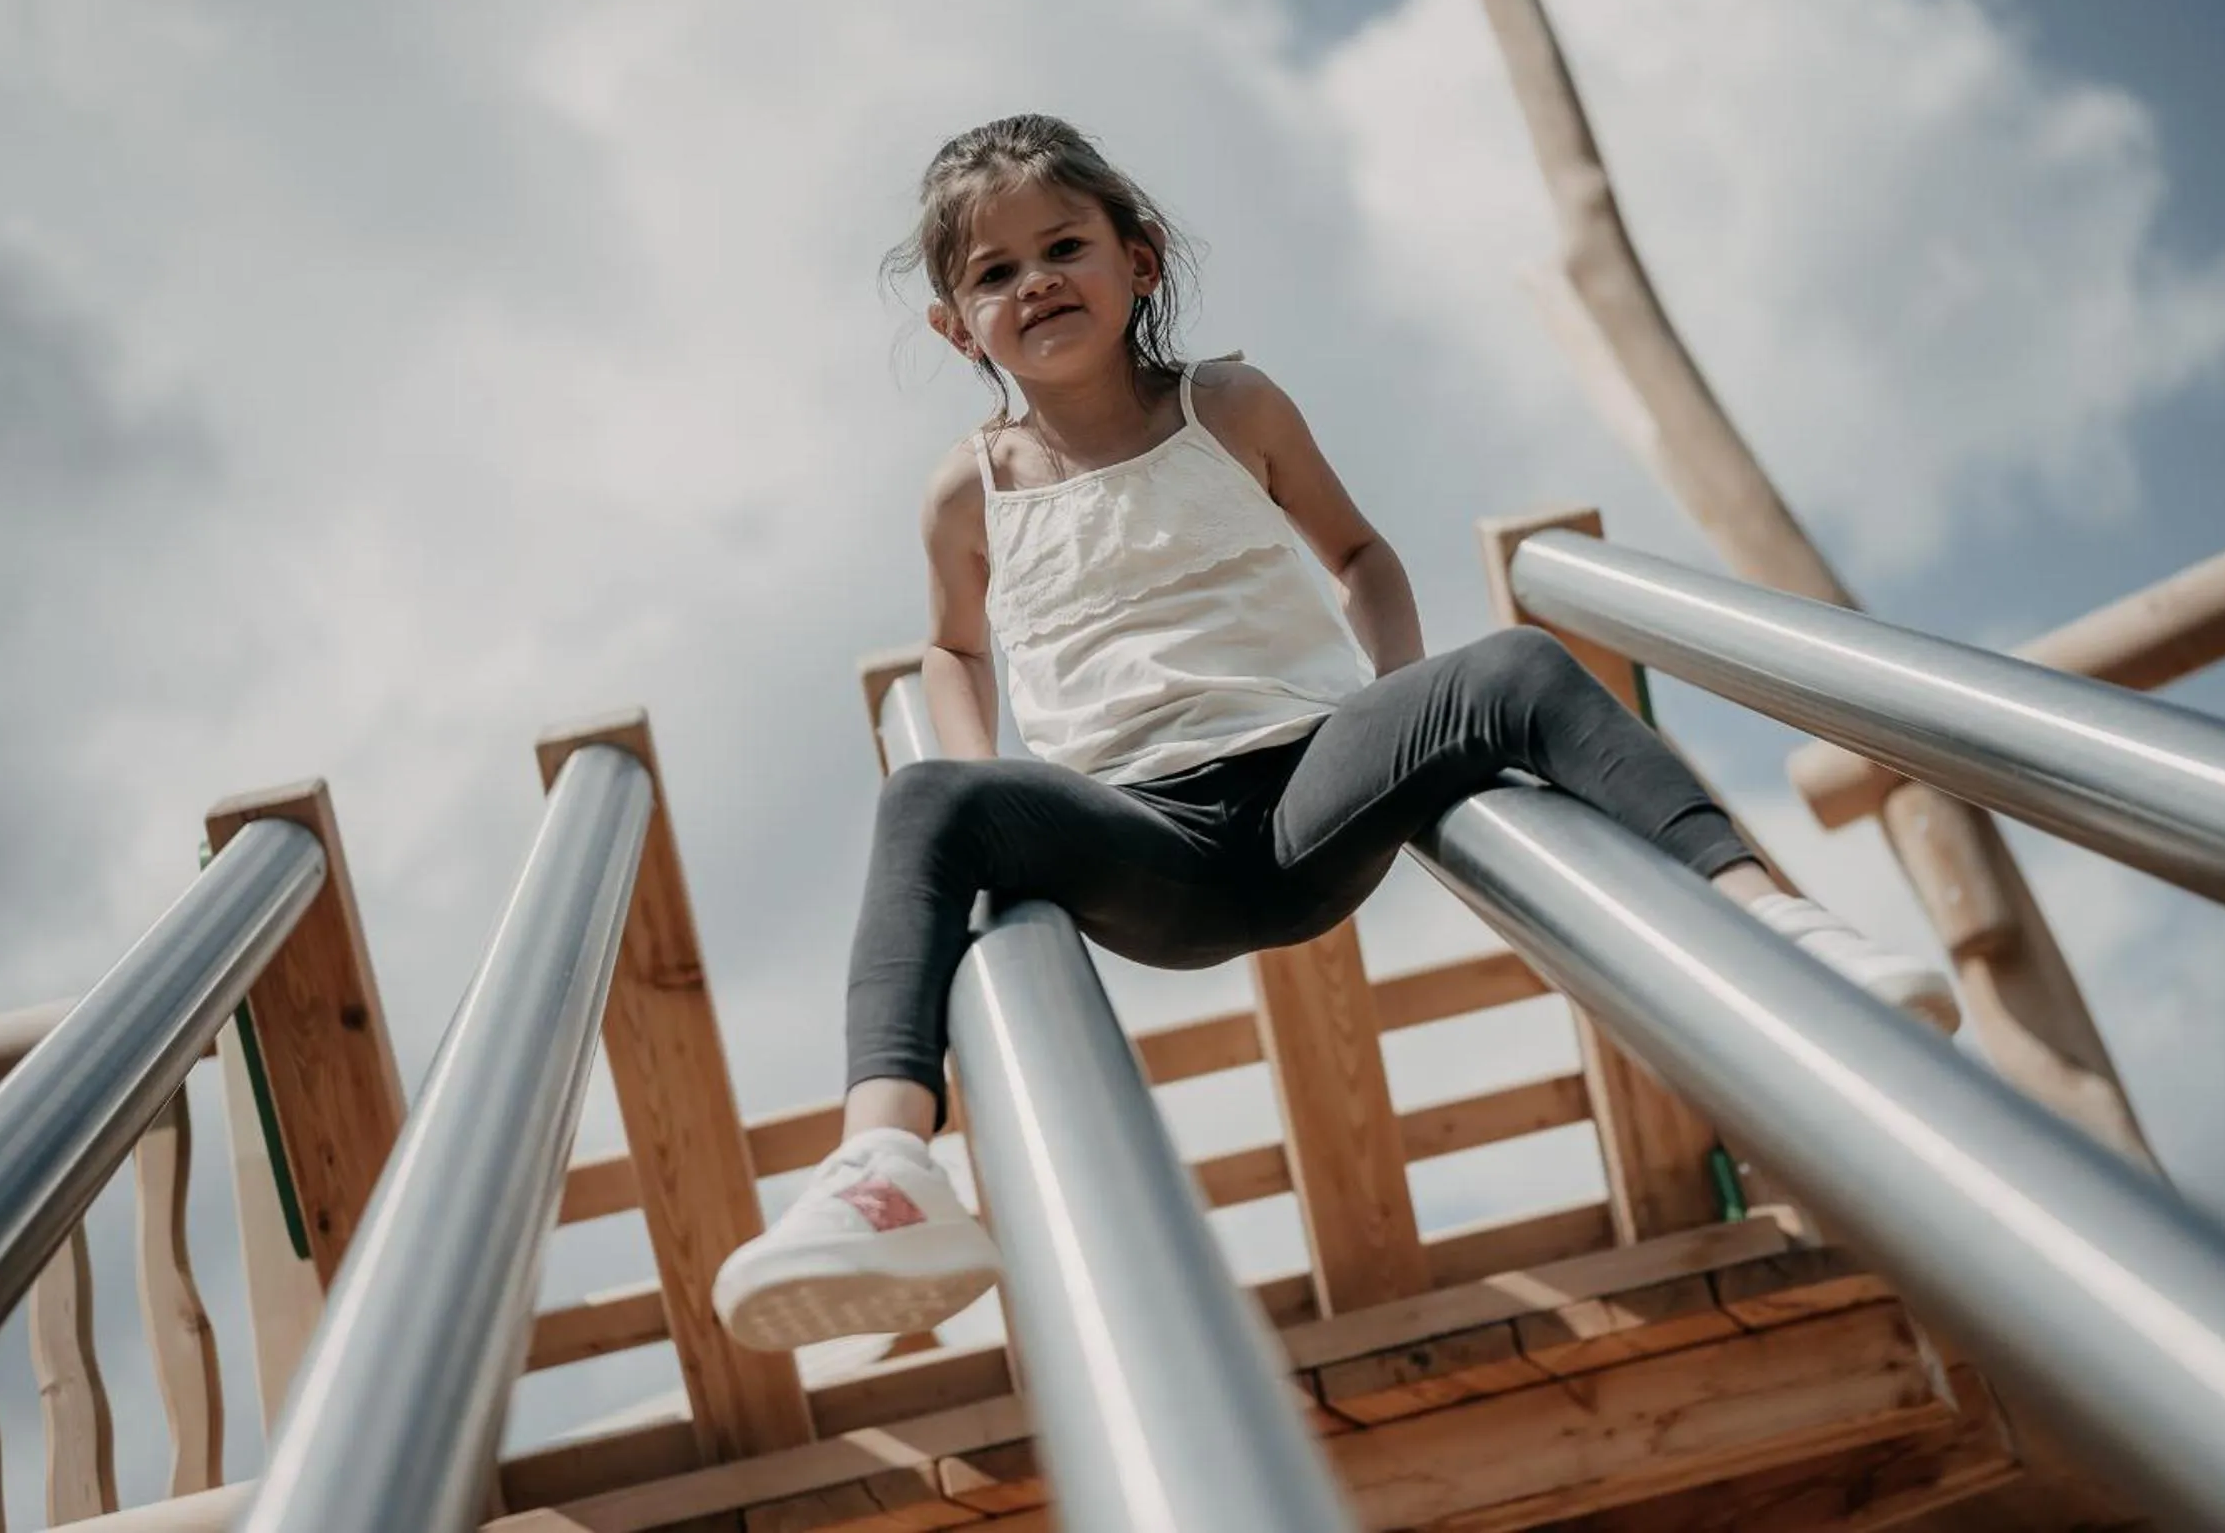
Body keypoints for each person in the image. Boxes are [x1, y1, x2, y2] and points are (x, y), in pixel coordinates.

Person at [713, 114, 1955, 1354]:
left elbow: (1359, 553)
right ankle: (885, 1165)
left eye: (1063, 246)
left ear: (1138, 258)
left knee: (1516, 664)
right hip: (1145, 840)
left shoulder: (1230, 406)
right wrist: (984, 763)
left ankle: (1774, 926)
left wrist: (1393, 709)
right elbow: (953, 646)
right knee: (929, 797)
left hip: (1309, 782)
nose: (1035, 279)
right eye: (995, 271)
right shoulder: (967, 488)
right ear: (957, 326)